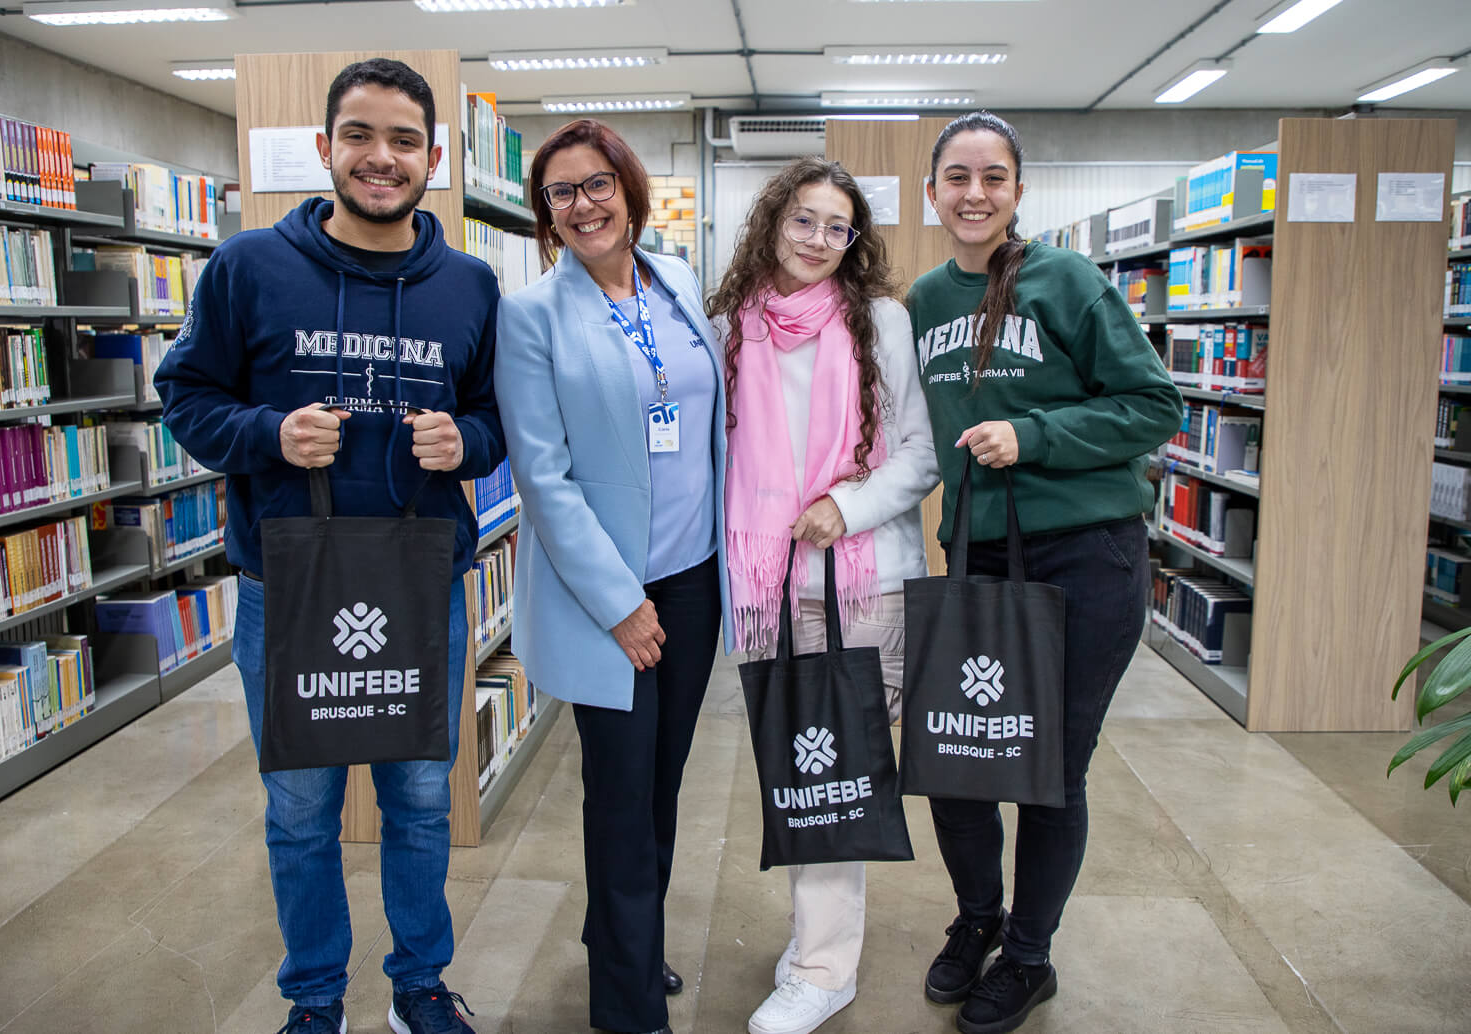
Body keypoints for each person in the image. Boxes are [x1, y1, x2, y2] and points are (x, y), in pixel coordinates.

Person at [155, 58, 502, 1034]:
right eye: (359, 135)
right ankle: (314, 998)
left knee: (423, 801)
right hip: (289, 581)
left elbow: (495, 419)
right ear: (324, 147)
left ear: (433, 157)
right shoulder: (247, 267)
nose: (380, 158)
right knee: (301, 810)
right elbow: (185, 397)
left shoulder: (470, 285)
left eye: (402, 140)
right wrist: (267, 433)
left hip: (420, 576)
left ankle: (419, 984)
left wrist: (464, 443)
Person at [908, 110, 1183, 1034]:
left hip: (1086, 557)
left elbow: (1155, 404)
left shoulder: (1065, 280)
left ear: (1019, 192)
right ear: (933, 191)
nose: (974, 193)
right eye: (957, 176)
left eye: (993, 177)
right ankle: (978, 917)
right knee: (955, 760)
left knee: (1051, 772)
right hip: (978, 551)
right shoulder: (923, 303)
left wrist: (1037, 436)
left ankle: (1029, 955)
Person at [493, 119, 732, 1034]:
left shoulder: (675, 283)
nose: (583, 204)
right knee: (623, 798)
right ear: (546, 215)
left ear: (630, 192)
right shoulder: (529, 316)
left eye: (598, 184)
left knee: (661, 785)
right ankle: (626, 1008)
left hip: (694, 578)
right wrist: (621, 604)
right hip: (614, 597)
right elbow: (544, 480)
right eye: (561, 193)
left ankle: (625, 941)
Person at [707, 157, 939, 1034]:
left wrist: (846, 504)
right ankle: (817, 939)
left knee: (836, 770)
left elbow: (918, 456)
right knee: (797, 764)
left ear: (856, 240)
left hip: (862, 578)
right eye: (803, 220)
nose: (817, 240)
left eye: (836, 227)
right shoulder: (727, 324)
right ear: (773, 222)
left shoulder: (880, 322)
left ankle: (823, 967)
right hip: (766, 587)